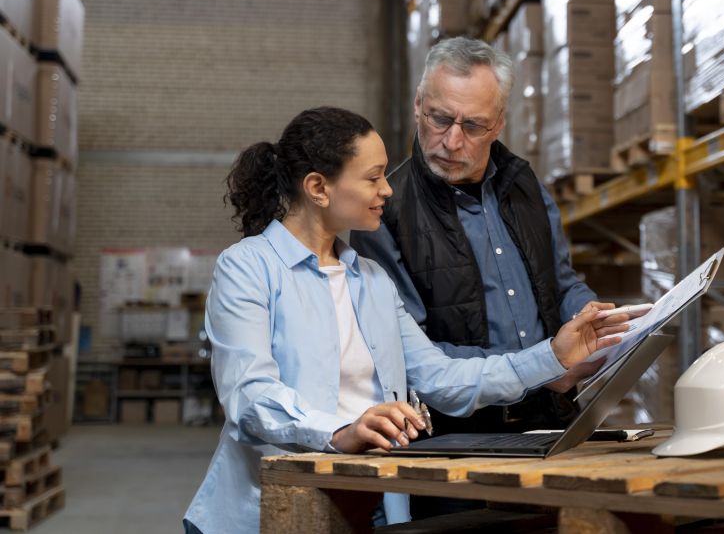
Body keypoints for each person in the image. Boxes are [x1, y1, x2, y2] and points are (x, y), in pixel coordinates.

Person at [182, 106, 621, 534]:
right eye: (373, 177)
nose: (387, 190)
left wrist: (553, 356)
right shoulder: (247, 268)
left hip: (369, 504)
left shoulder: (372, 280)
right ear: (318, 187)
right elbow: (249, 396)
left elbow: (441, 377)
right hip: (268, 511)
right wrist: (340, 432)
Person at [349, 37, 631, 518]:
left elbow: (561, 283)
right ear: (418, 105)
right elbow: (413, 355)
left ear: (499, 123)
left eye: (473, 126)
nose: (451, 141)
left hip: (550, 425)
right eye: (440, 118)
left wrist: (598, 323)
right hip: (454, 443)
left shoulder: (525, 185)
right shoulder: (385, 214)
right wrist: (545, 365)